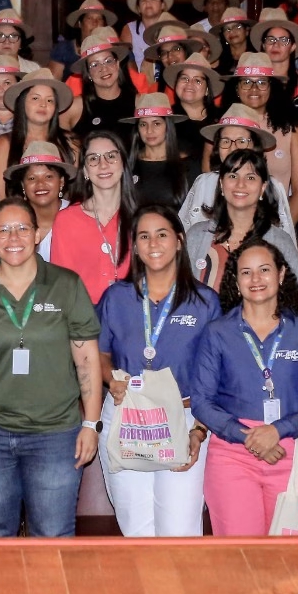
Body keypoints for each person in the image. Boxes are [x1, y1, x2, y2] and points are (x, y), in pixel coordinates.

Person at [0, 197, 102, 538]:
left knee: (52, 534)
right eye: (3, 230)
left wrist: (91, 423)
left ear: (36, 235)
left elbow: (87, 359)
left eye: (22, 228)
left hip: (56, 434)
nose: (13, 237)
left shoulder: (66, 285)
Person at [191, 239, 298, 536]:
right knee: (241, 557)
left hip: (293, 451)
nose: (255, 279)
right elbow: (202, 401)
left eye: (264, 270)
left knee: (292, 559)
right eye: (246, 272)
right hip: (233, 453)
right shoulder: (218, 333)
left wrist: (277, 431)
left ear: (281, 274)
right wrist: (249, 438)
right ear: (236, 280)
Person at [96, 203, 220, 537]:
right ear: (134, 246)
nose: (153, 244)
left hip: (183, 419)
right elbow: (99, 353)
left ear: (179, 241)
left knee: (179, 532)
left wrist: (199, 431)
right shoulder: (116, 298)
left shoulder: (206, 302)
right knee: (136, 530)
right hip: (126, 415)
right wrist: (111, 379)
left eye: (162, 234)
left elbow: (215, 375)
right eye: (144, 236)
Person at [186, 149, 298, 291]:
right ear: (222, 185)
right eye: (233, 176)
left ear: (263, 188)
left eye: (250, 177)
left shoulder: (280, 242)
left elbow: (294, 301)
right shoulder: (196, 236)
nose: (241, 184)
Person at [179, 105, 297, 244]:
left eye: (241, 141)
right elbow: (186, 236)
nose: (232, 148)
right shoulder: (204, 182)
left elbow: (285, 240)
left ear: (255, 145)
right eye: (225, 141)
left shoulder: (274, 186)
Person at [225, 52, 298, 223]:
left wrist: (281, 232)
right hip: (228, 223)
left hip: (277, 222)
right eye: (247, 82)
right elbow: (211, 181)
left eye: (262, 82)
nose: (254, 89)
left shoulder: (291, 128)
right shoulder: (221, 126)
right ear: (236, 87)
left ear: (272, 87)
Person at [50, 129, 132, 303]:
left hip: (133, 317)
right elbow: (62, 286)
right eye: (93, 158)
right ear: (85, 171)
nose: (103, 165)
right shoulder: (67, 220)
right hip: (84, 321)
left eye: (111, 156)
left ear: (123, 164)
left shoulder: (142, 218)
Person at [0, 68, 75, 195]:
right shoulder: (4, 145)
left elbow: (77, 193)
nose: (43, 104)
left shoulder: (71, 142)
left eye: (50, 100)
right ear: (22, 103)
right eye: (35, 98)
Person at [123, 93, 199, 212]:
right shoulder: (126, 165)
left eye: (156, 123)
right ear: (137, 129)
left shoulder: (189, 167)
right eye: (143, 124)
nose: (149, 130)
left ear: (168, 126)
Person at [63, 28, 138, 145]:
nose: (103, 69)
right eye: (95, 65)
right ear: (87, 73)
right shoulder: (75, 107)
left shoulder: (139, 102)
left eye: (108, 61)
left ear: (117, 64)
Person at [5, 141, 74, 258]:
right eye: (32, 178)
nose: (40, 184)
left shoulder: (78, 217)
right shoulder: (12, 220)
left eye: (48, 177)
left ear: (61, 181)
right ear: (23, 185)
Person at [164, 53, 223, 164]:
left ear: (207, 89)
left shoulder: (221, 119)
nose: (189, 84)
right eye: (184, 78)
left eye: (197, 80)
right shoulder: (165, 120)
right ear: (176, 84)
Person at [248, 9, 298, 96]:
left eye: (283, 40)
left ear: (293, 47)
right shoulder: (252, 82)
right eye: (271, 39)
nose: (276, 45)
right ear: (263, 45)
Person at [52, 0, 119, 80]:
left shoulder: (114, 49)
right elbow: (53, 82)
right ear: (80, 23)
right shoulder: (64, 49)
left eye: (99, 19)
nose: (95, 23)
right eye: (89, 18)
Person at [121, 0, 175, 71]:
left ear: (162, 5)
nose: (148, 3)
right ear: (138, 8)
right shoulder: (129, 29)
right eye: (143, 0)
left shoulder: (173, 29)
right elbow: (125, 64)